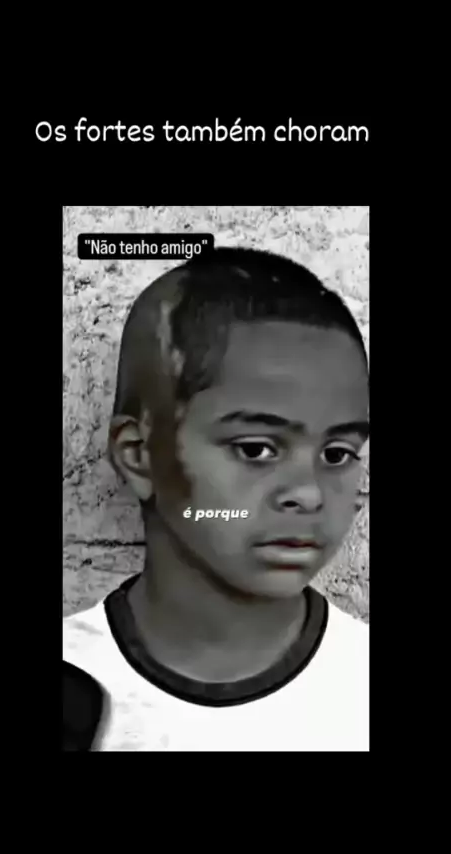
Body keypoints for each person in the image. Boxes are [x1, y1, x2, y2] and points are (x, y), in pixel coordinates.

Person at [63, 247, 370, 751]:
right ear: (139, 455)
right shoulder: (75, 691)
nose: (309, 493)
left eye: (337, 454)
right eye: (256, 449)